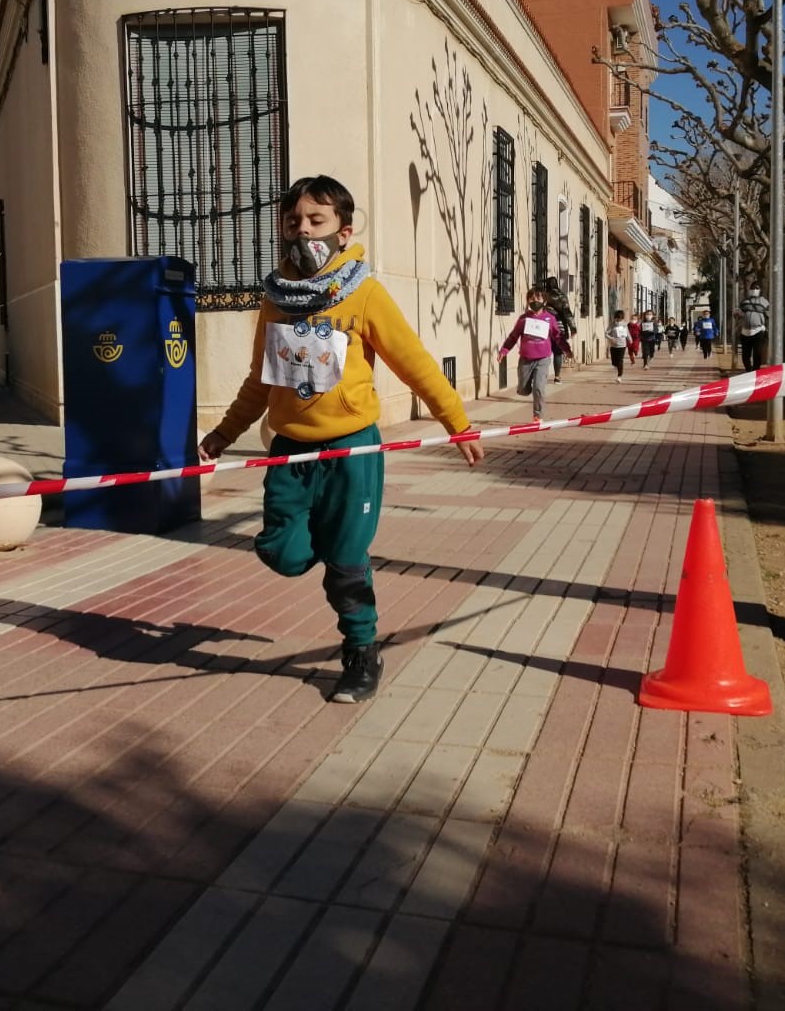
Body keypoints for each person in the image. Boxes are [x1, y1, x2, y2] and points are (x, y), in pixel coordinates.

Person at [198, 175, 483, 705]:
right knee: (283, 553)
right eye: (293, 222)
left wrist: (457, 423)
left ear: (343, 232)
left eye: (316, 221)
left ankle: (360, 652)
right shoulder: (275, 299)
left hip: (352, 451)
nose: (302, 231)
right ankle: (328, 553)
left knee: (347, 561)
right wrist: (223, 433)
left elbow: (415, 363)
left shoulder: (365, 293)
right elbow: (260, 379)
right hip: (289, 452)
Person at [499, 286, 564, 419]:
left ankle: (537, 415)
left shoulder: (550, 318)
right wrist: (504, 350)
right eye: (532, 298)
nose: (535, 301)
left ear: (544, 301)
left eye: (538, 298)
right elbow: (513, 336)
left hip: (543, 359)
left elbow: (557, 336)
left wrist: (566, 349)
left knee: (539, 388)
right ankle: (525, 388)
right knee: (523, 390)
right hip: (526, 359)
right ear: (528, 301)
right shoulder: (523, 319)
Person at [541, 276, 576, 382]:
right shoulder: (561, 296)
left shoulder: (543, 295)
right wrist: (572, 327)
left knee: (544, 351)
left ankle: (542, 375)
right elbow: (567, 312)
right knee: (557, 352)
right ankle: (557, 376)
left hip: (544, 324)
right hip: (558, 325)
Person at [738, 285, 770, 372]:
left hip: (758, 331)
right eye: (752, 288)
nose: (754, 290)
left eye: (756, 288)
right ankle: (748, 370)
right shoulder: (744, 301)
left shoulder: (764, 301)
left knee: (757, 353)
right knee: (745, 354)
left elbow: (769, 314)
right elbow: (739, 312)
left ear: (760, 290)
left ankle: (756, 370)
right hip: (745, 331)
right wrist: (737, 314)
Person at [605, 310, 631, 382]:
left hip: (622, 345)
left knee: (620, 360)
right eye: (617, 318)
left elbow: (627, 333)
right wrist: (611, 338)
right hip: (613, 346)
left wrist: (630, 339)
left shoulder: (624, 325)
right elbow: (606, 334)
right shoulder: (612, 325)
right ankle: (618, 367)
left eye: (620, 318)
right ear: (615, 318)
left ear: (622, 318)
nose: (618, 320)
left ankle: (619, 376)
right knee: (614, 362)